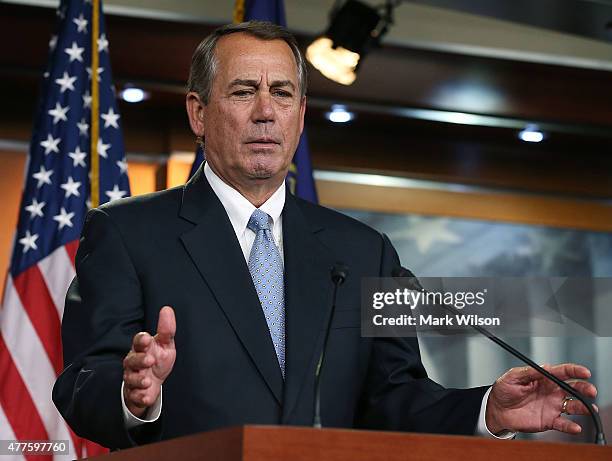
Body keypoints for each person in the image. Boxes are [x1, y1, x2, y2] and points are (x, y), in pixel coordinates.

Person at [53, 21, 597, 449]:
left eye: (283, 93)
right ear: (198, 113)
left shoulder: (365, 253)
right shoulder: (127, 232)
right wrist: (134, 395)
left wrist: (487, 410)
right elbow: (80, 382)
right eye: (244, 91)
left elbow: (395, 397)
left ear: (301, 113)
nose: (266, 112)